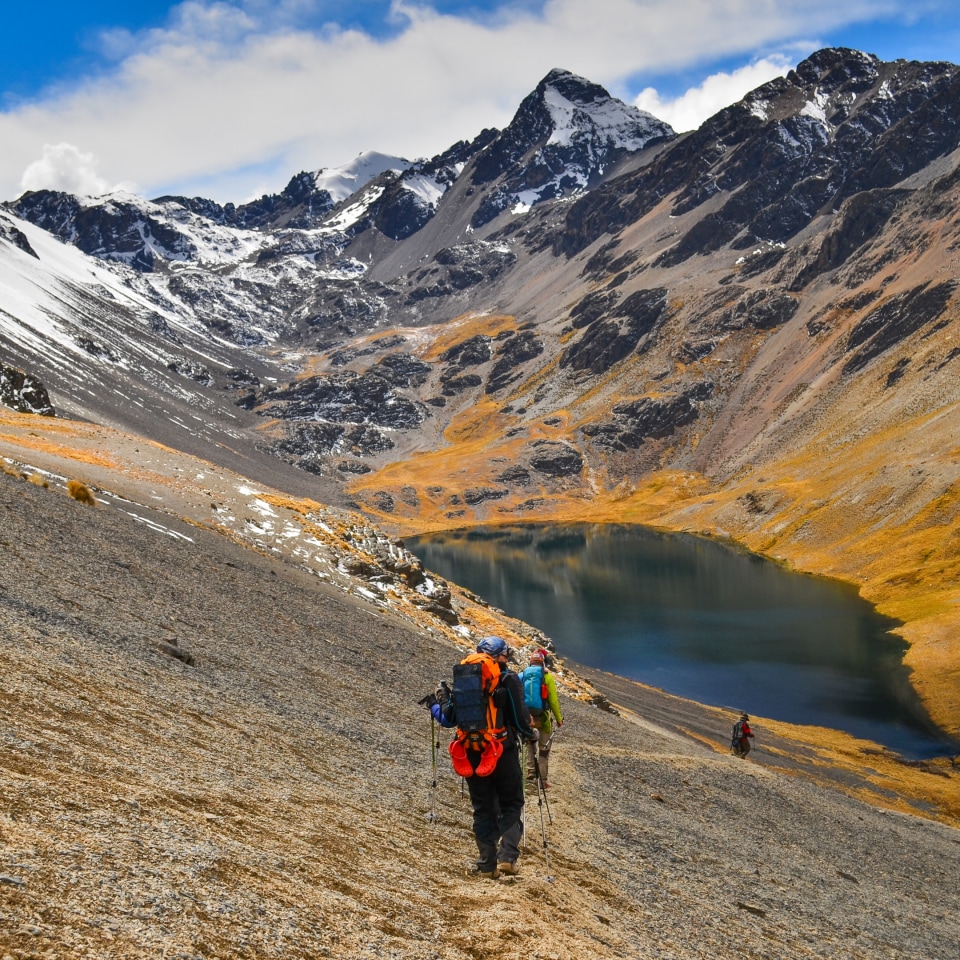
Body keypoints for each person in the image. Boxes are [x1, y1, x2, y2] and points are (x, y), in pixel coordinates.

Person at [429, 636, 539, 879]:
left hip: (470, 751)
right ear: (501, 656)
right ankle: (507, 857)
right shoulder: (507, 678)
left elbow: (449, 719)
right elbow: (521, 721)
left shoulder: (466, 678)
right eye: (505, 655)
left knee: (482, 808)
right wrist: (531, 734)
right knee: (512, 802)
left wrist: (434, 705)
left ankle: (487, 864)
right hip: (501, 750)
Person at [519, 648, 563, 789]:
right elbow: (553, 701)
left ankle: (530, 774)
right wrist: (558, 718)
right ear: (543, 663)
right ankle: (543, 781)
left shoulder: (522, 675)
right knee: (544, 749)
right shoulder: (547, 678)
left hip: (528, 718)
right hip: (543, 718)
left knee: (530, 744)